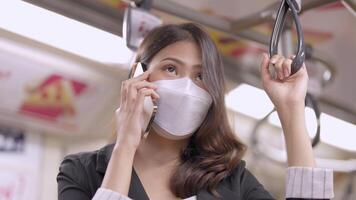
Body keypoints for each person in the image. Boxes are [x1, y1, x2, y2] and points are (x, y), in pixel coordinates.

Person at [57, 23, 333, 200]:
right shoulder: (82, 172)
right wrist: (126, 145)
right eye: (171, 69)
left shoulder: (230, 181)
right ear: (138, 75)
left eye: (201, 77)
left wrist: (292, 108)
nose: (187, 88)